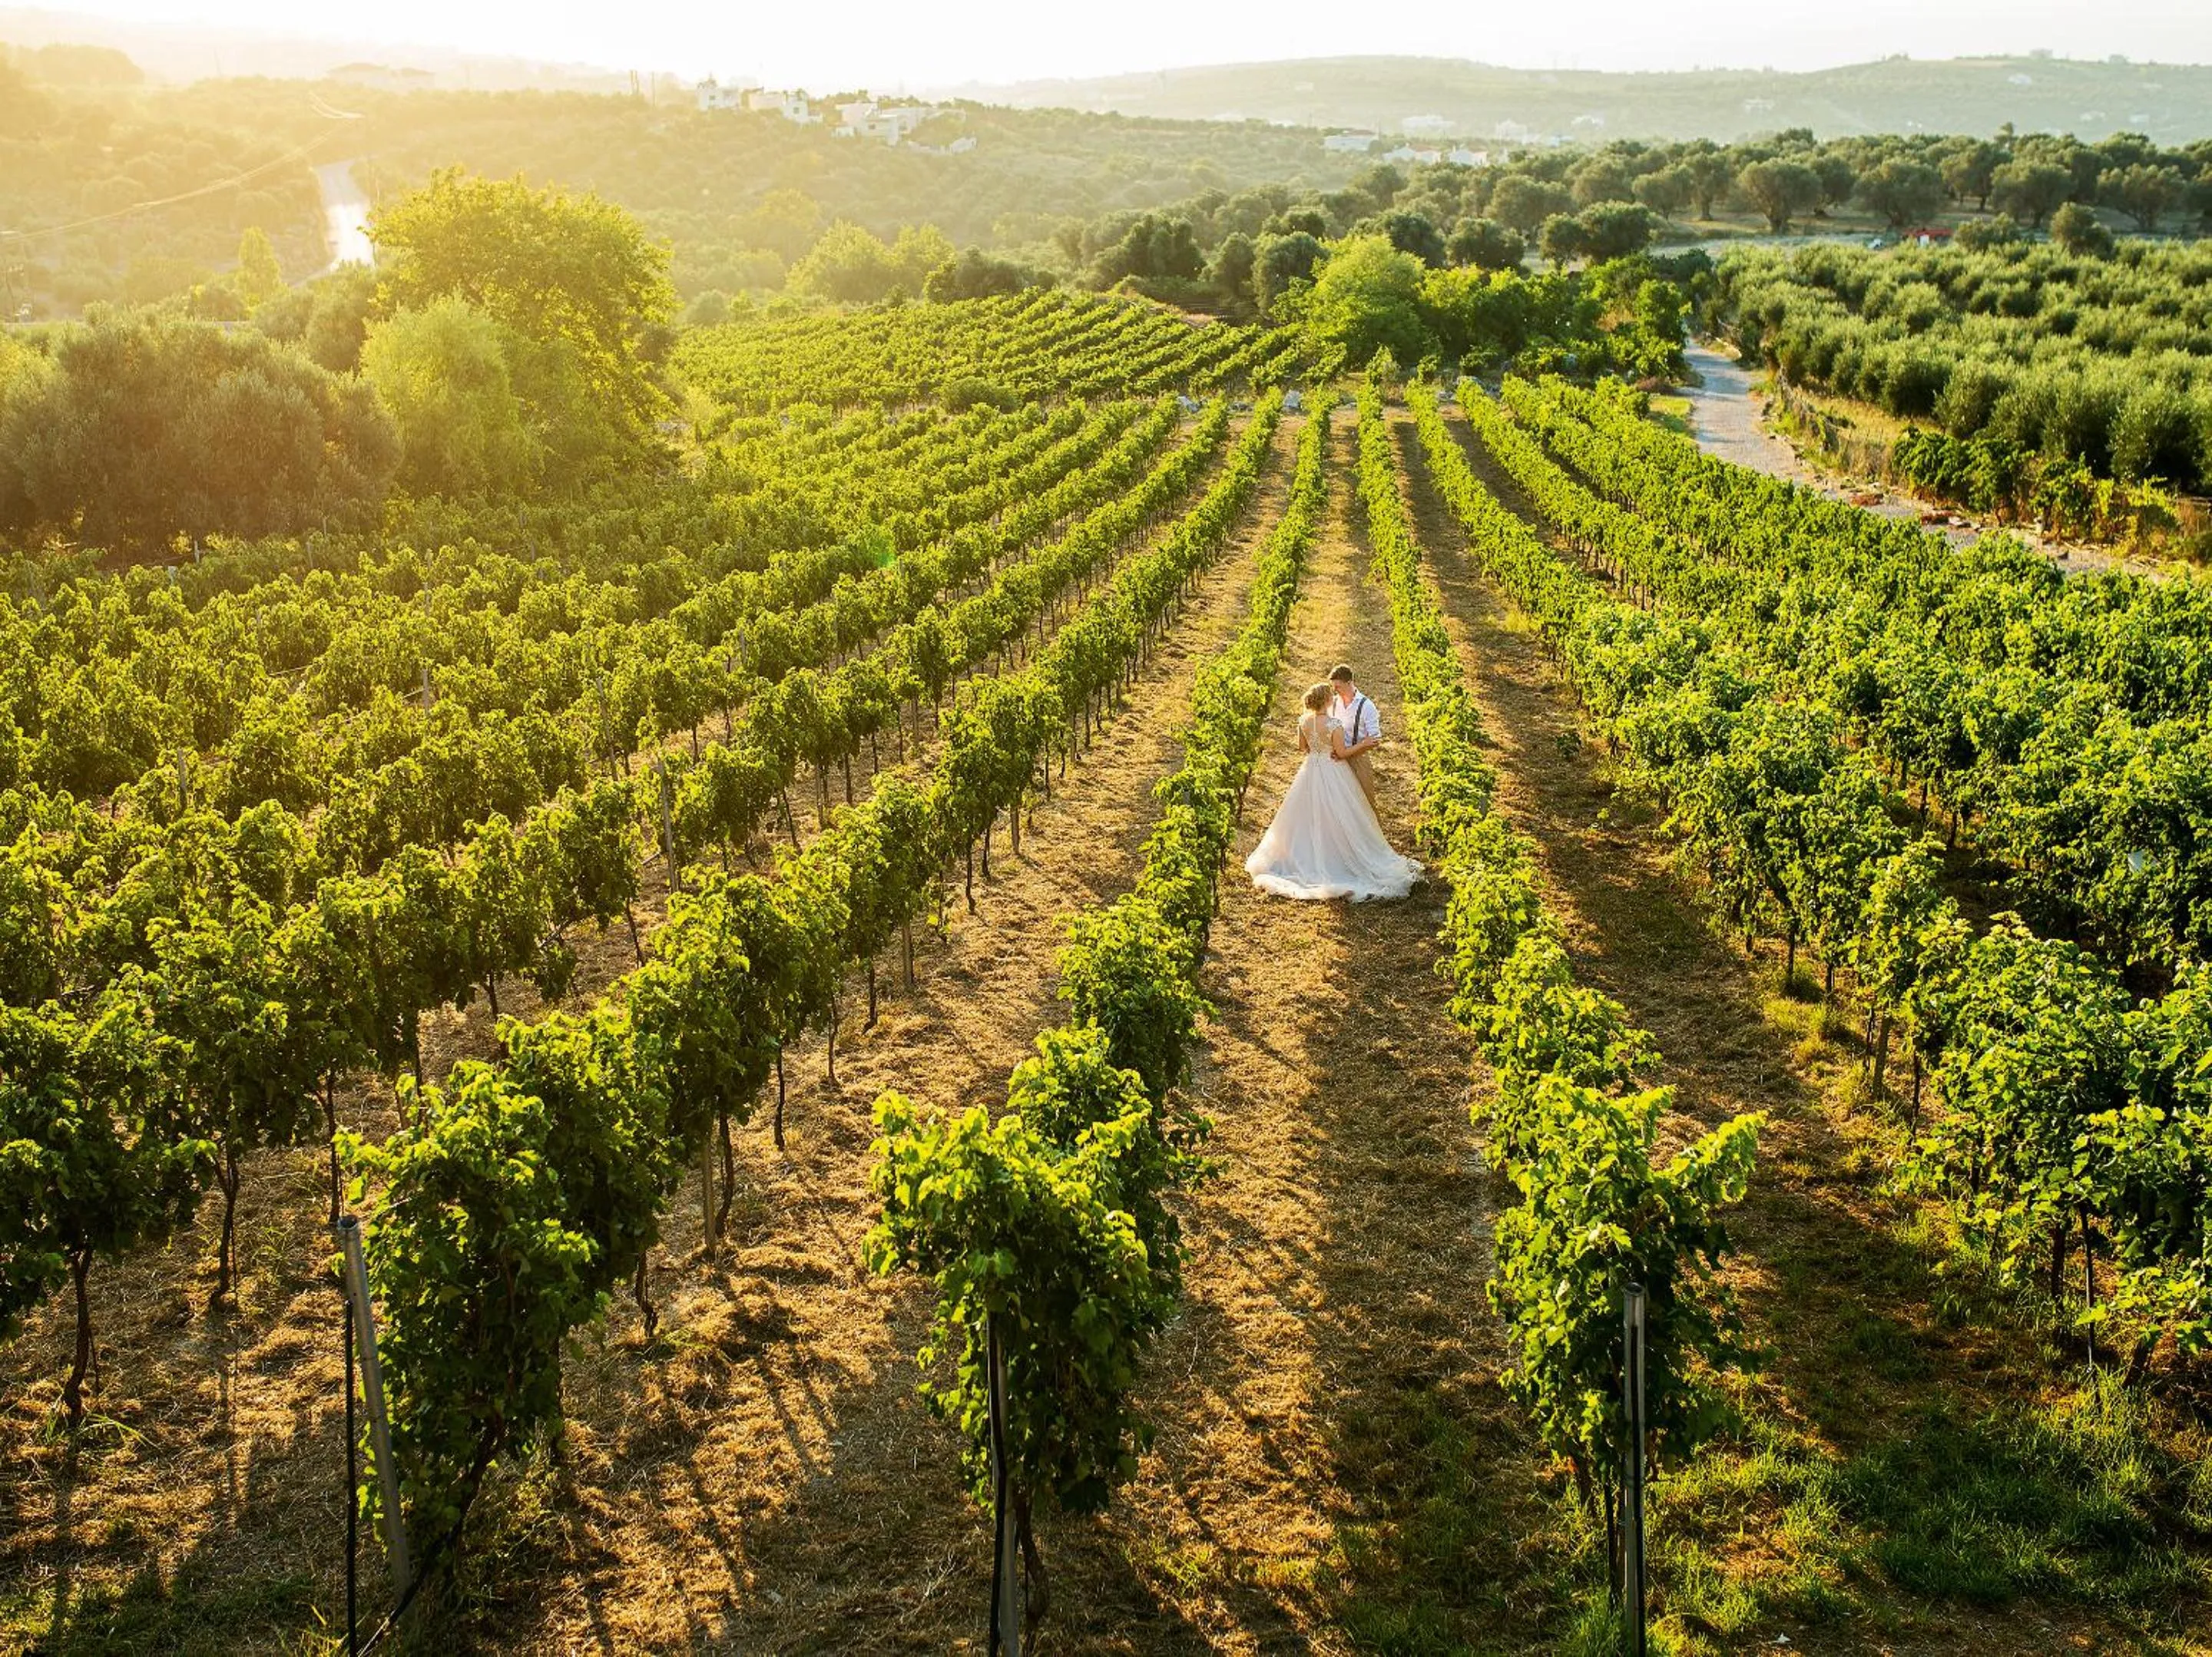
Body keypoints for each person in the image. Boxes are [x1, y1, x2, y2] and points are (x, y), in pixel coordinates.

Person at [1244, 681, 1422, 902]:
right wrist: (1365, 743)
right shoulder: (1334, 724)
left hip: (1310, 769)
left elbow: (1303, 748)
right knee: (1340, 811)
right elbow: (1342, 752)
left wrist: (1316, 749)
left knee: (1304, 815)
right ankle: (1338, 856)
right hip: (1332, 770)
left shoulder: (1303, 721)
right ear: (1327, 701)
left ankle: (1305, 855)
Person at [1330, 663, 1382, 812]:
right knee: (1337, 804)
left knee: (1365, 803)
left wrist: (1352, 752)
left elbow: (1375, 739)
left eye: (1338, 687)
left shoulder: (1367, 706)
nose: (1335, 690)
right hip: (1334, 760)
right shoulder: (1332, 703)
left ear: (1349, 683)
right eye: (1334, 687)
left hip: (1358, 760)